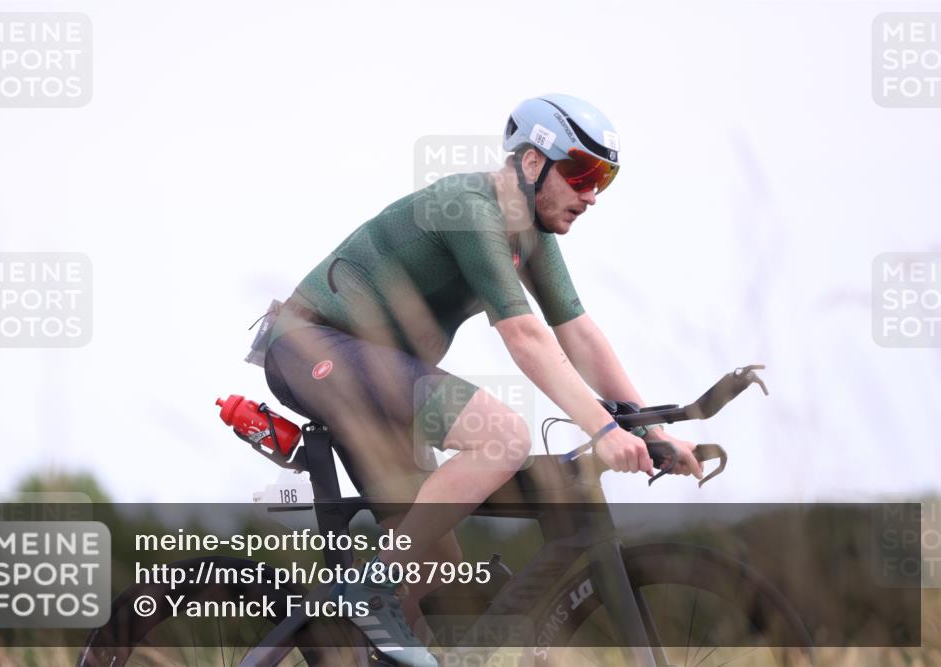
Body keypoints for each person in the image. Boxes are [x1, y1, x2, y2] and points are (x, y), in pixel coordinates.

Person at [263, 94, 703, 667]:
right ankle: (368, 590)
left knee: (437, 576)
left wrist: (648, 429)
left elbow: (579, 333)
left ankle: (378, 617)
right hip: (313, 347)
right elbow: (525, 338)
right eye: (581, 172)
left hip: (376, 378)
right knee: (504, 435)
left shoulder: (532, 235)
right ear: (529, 163)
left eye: (605, 179)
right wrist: (601, 428)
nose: (592, 195)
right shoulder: (470, 209)